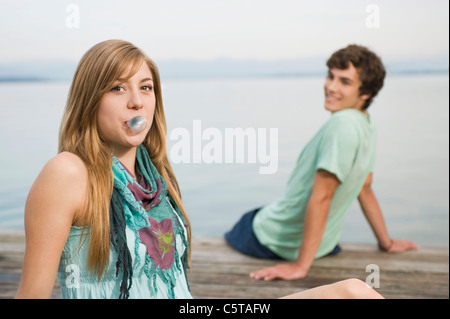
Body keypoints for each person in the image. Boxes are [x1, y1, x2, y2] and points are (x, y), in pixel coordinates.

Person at [16, 40, 383, 299]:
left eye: (146, 87)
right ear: (89, 99)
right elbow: (32, 295)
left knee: (355, 291)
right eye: (117, 88)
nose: (136, 101)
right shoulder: (68, 173)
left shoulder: (154, 176)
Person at [225, 44, 419, 282]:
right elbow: (365, 188)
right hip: (324, 245)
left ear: (365, 92)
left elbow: (322, 198)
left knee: (246, 222)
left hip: (276, 242)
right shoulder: (366, 124)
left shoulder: (342, 125)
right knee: (264, 211)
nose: (331, 87)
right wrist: (386, 243)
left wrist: (299, 267)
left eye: (345, 82)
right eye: (331, 76)